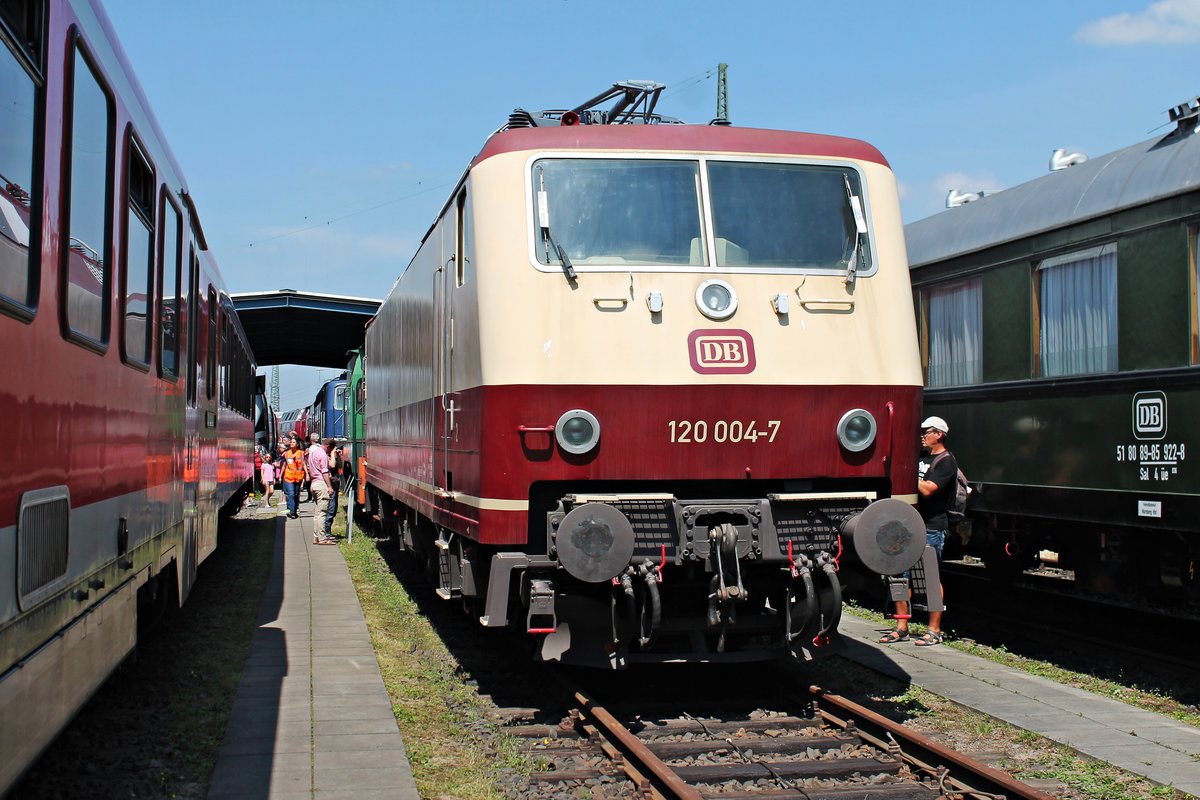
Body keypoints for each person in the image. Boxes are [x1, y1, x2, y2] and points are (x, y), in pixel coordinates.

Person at [879, 415, 955, 646]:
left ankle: (934, 630)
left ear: (938, 435)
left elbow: (928, 489)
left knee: (930, 578)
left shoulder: (946, 462)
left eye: (926, 432)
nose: (922, 436)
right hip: (908, 526)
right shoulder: (921, 458)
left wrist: (907, 470)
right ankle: (901, 627)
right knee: (900, 577)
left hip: (932, 527)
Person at [306, 434, 335, 544]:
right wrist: (329, 486)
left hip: (313, 484)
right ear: (328, 446)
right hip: (321, 484)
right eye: (330, 450)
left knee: (317, 513)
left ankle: (316, 536)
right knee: (322, 512)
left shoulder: (313, 453)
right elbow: (325, 472)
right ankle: (322, 538)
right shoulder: (323, 455)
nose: (330, 452)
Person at [281, 433, 307, 519]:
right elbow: (284, 465)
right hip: (289, 477)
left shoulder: (301, 453)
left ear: (297, 444)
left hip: (298, 477)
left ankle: (294, 510)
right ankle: (292, 512)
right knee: (291, 494)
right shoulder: (286, 454)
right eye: (291, 442)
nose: (291, 443)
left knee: (296, 495)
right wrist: (280, 476)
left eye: (293, 442)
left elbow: (304, 464)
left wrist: (307, 474)